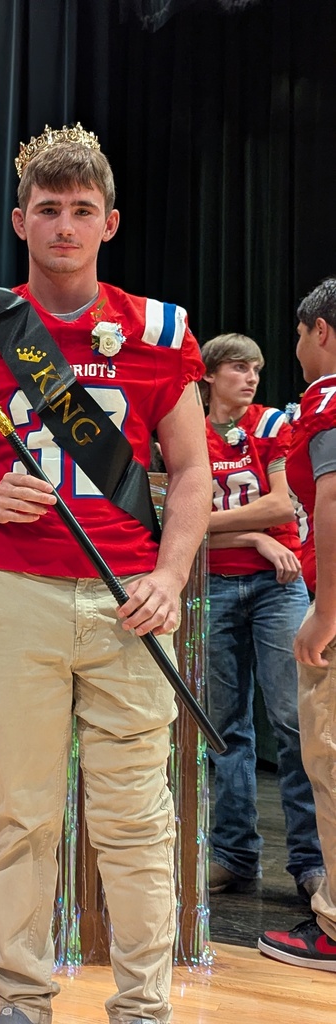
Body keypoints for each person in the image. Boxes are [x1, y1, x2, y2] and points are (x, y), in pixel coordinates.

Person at [0, 124, 212, 1024]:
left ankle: (143, 1006)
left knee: (135, 822)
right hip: (15, 592)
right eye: (46, 210)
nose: (62, 226)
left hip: (131, 599)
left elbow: (193, 471)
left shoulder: (160, 329)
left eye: (80, 211)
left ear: (109, 223)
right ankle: (20, 1000)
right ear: (19, 220)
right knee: (26, 817)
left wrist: (170, 577)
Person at [200, 334, 324, 899]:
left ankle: (311, 864)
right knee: (224, 730)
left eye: (257, 368)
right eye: (238, 368)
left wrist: (211, 522)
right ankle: (233, 855)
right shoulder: (187, 431)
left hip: (277, 587)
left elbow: (281, 504)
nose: (250, 378)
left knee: (294, 723)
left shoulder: (271, 424)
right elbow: (175, 514)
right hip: (213, 586)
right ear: (210, 375)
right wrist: (251, 534)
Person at [259, 278, 336, 971]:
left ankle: (335, 928)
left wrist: (325, 611)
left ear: (319, 332)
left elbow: (333, 500)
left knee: (331, 762)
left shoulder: (327, 397)